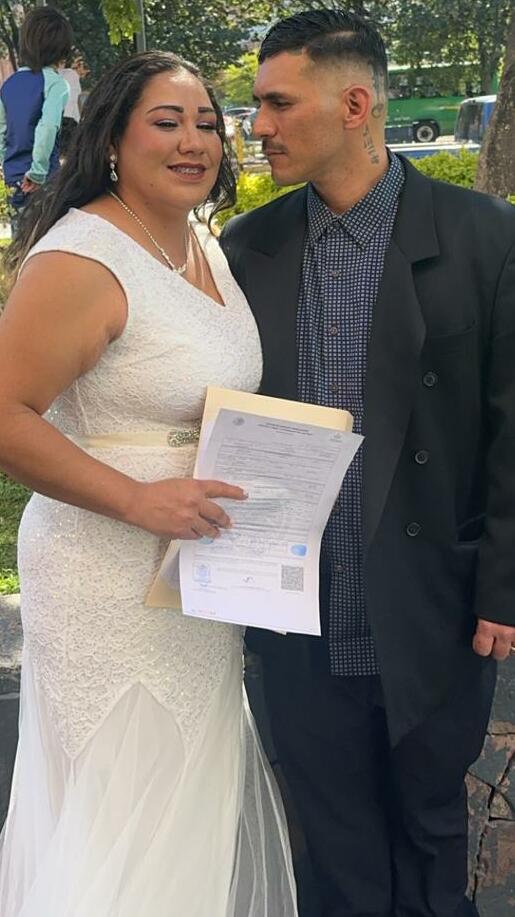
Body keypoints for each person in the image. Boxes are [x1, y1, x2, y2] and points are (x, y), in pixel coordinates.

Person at [220, 10, 515, 917]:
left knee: (430, 832)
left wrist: (502, 584)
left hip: (430, 601)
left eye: (279, 103)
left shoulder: (484, 237)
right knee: (332, 842)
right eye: (257, 105)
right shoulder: (247, 250)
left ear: (353, 105)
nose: (258, 126)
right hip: (296, 609)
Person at [0, 51, 297, 917]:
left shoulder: (201, 241)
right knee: (121, 805)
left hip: (196, 577)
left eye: (206, 122)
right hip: (105, 577)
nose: (193, 141)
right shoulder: (83, 255)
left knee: (185, 801)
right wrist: (137, 499)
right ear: (112, 141)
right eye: (166, 123)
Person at [0, 7, 72, 228]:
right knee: (50, 236)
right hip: (44, 179)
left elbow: (2, 131)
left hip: (14, 177)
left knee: (21, 239)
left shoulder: (8, 85)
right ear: (61, 48)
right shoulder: (56, 84)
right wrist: (38, 172)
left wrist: (7, 166)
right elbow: (47, 127)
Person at [59, 54, 90, 155]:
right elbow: (74, 101)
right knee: (70, 151)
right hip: (69, 118)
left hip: (59, 115)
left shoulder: (62, 73)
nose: (85, 73)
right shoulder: (73, 76)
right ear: (80, 66)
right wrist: (79, 119)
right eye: (85, 69)